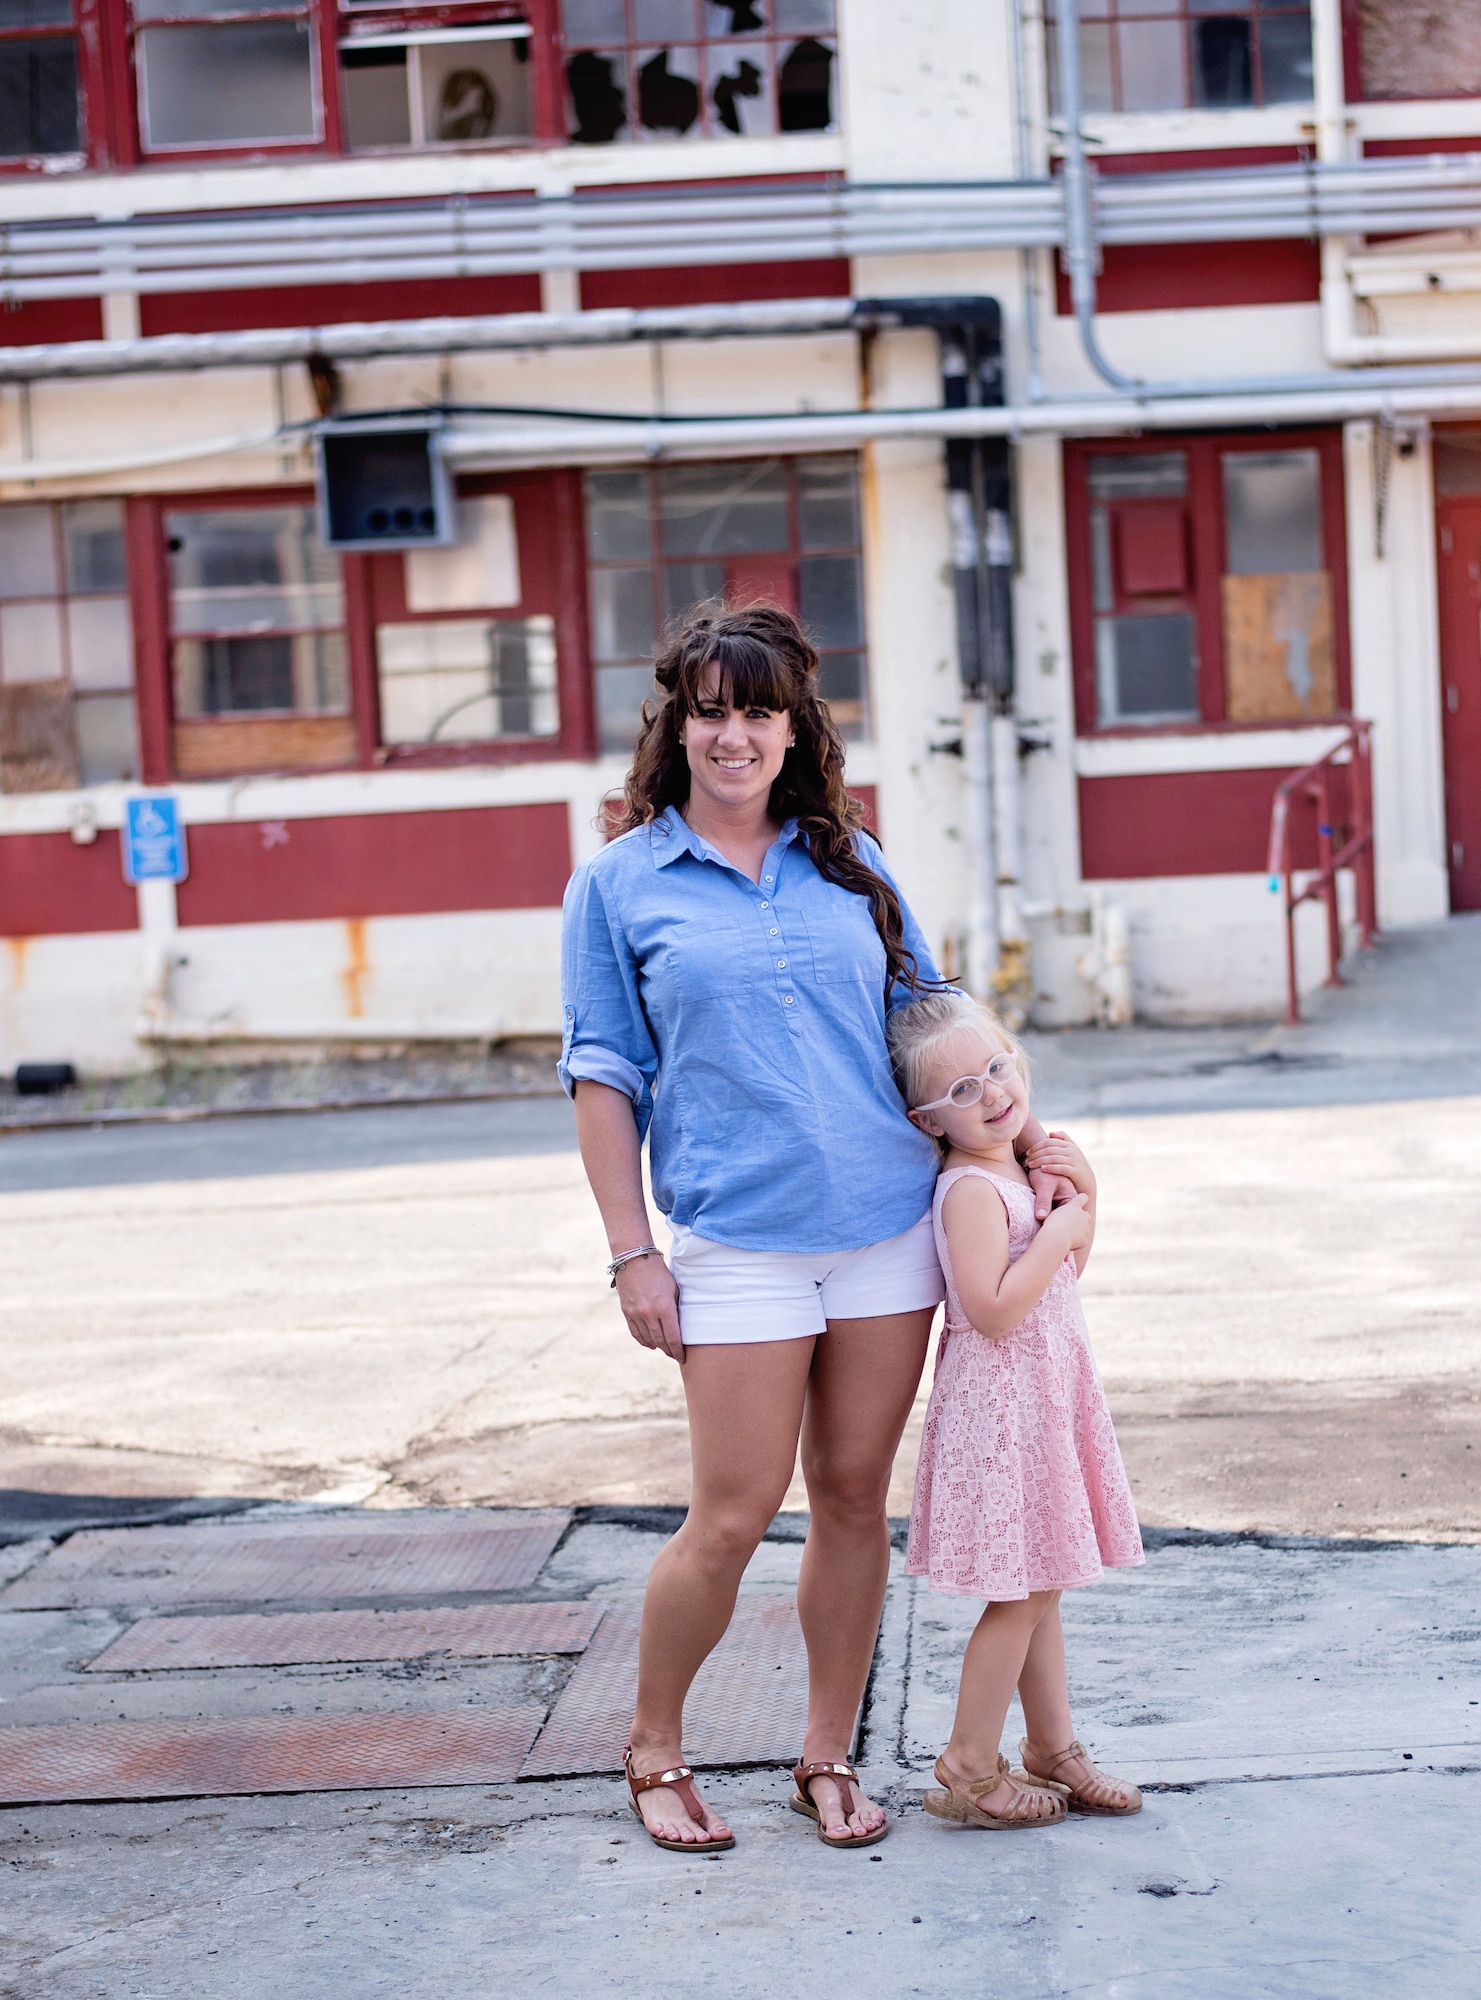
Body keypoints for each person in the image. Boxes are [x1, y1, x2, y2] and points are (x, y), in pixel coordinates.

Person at [559, 602, 1073, 1853]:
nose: (734, 735)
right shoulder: (620, 883)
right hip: (739, 1241)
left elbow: (939, 1027)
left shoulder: (853, 859)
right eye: (711, 709)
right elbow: (602, 1076)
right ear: (678, 724)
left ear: (795, 729)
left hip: (889, 1231)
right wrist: (633, 1252)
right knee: (731, 1512)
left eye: (757, 710)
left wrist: (1030, 1145)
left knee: (852, 1498)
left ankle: (825, 1751)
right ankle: (654, 1746)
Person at [889, 992, 1145, 1829]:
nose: (992, 1092)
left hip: (1045, 1398)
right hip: (1001, 1413)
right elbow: (992, 1308)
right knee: (1024, 1589)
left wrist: (1079, 1212)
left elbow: (1066, 1275)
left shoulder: (1019, 1167)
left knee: (1048, 1581)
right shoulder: (968, 1190)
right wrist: (1060, 1231)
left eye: (995, 1067)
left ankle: (1053, 1747)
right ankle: (968, 1763)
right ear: (927, 1118)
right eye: (962, 1090)